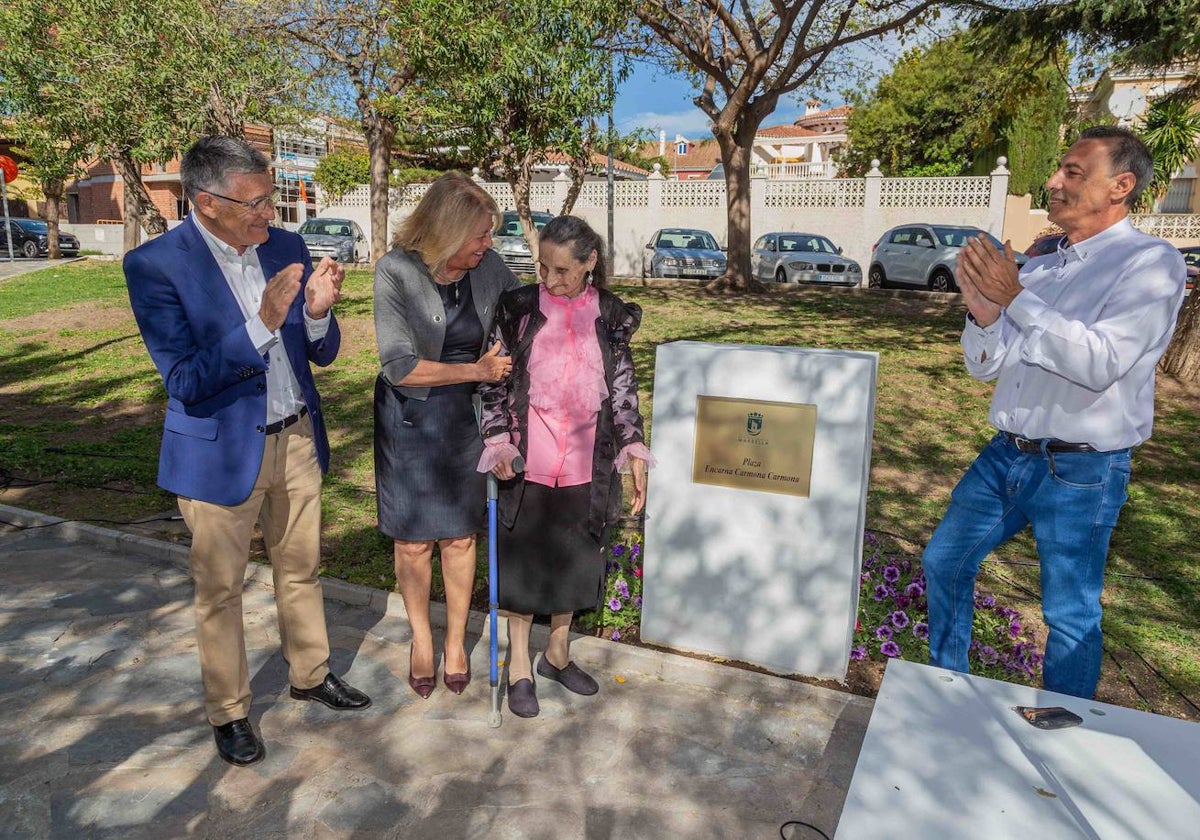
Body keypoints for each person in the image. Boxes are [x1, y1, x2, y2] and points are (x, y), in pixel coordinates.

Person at [123, 136, 370, 768]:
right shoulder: (156, 266)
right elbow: (183, 379)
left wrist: (316, 313)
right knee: (221, 589)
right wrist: (260, 321)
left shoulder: (284, 247)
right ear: (207, 202)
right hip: (217, 452)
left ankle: (310, 673)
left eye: (272, 198)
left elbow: (320, 351)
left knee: (301, 568)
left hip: (294, 439)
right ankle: (229, 712)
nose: (272, 214)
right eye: (256, 202)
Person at [923, 126, 1187, 699]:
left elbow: (1101, 363)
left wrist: (1015, 298)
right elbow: (989, 367)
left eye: (1072, 171)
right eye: (1059, 170)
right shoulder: (1041, 267)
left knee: (1069, 611)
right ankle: (947, 692)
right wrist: (983, 313)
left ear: (1121, 186)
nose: (1053, 181)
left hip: (1081, 470)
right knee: (944, 561)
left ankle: (1062, 737)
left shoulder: (1148, 263)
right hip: (1005, 457)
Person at [477, 215, 653, 718]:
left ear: (590, 262)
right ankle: (518, 667)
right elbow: (493, 382)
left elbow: (622, 391)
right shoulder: (517, 308)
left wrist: (633, 451)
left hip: (585, 459)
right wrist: (499, 442)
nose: (549, 280)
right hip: (527, 457)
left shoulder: (611, 315)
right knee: (524, 560)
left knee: (574, 559)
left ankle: (556, 654)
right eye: (542, 267)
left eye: (561, 270)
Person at [373, 172, 520, 699]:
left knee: (460, 537)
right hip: (411, 417)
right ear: (447, 231)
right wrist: (475, 372)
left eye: (489, 234)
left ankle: (456, 641)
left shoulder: (490, 269)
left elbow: (528, 318)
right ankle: (420, 638)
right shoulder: (396, 271)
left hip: (467, 420)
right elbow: (399, 366)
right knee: (413, 542)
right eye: (480, 234)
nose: (488, 244)